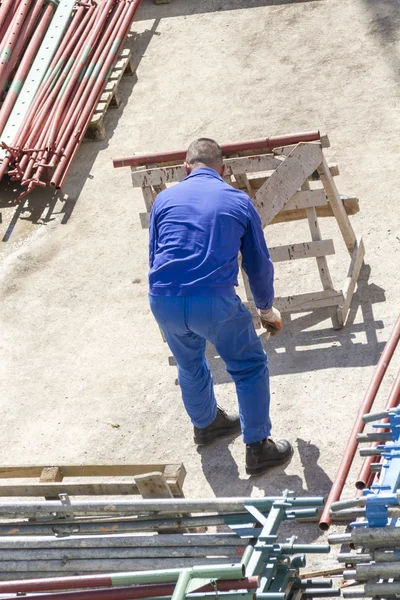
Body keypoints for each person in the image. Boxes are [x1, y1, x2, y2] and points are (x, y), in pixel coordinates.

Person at [148, 138, 293, 475]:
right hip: (212, 300)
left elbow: (155, 255)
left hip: (163, 297)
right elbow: (257, 264)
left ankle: (207, 425)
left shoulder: (163, 199)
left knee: (189, 363)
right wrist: (265, 309)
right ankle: (258, 447)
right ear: (223, 169)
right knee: (249, 365)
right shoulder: (238, 200)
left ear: (186, 168)